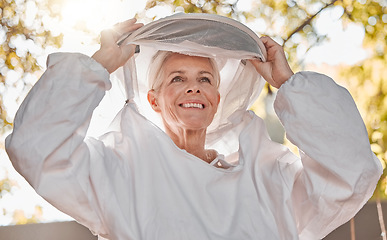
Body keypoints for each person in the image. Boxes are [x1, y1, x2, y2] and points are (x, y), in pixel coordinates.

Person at [5, 16, 382, 240]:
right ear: (153, 100)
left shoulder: (268, 179)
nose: (193, 87)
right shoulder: (121, 173)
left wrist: (289, 83)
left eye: (205, 78)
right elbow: (37, 147)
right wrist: (101, 62)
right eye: (177, 79)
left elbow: (351, 174)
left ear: (217, 98)